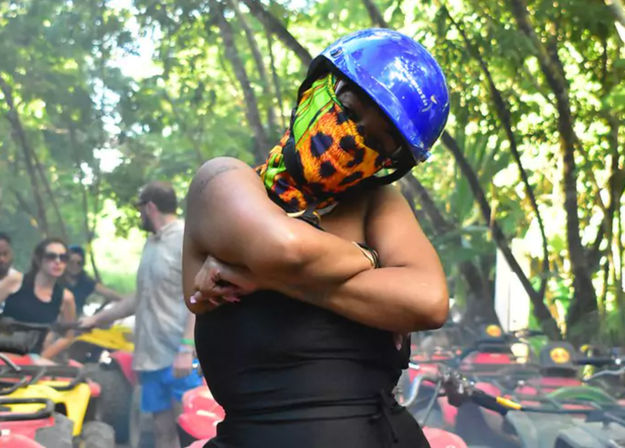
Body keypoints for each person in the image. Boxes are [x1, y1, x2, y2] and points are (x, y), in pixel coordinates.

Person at [184, 29, 450, 447]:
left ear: (387, 163)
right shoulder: (222, 182)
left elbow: (430, 301)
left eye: (376, 141)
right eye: (347, 106)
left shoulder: (377, 201)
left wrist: (272, 281)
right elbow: (284, 250)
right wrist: (372, 259)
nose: (350, 135)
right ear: (314, 88)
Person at [79, 181, 200, 448]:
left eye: (140, 210)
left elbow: (198, 294)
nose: (140, 216)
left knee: (190, 430)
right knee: (160, 431)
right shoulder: (151, 244)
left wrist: (187, 347)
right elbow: (140, 297)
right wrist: (96, 320)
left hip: (179, 357)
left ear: (150, 207)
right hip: (152, 356)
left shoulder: (185, 239)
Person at [0, 237, 76, 359]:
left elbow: (68, 336)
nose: (58, 261)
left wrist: (42, 358)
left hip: (33, 363)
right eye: (51, 256)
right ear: (38, 259)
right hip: (0, 354)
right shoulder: (15, 281)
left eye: (63, 258)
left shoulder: (66, 298)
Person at [63, 245, 125, 315]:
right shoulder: (57, 280)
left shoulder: (85, 281)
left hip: (77, 317)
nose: (75, 266)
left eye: (79, 263)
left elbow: (108, 293)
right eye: (71, 262)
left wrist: (126, 301)